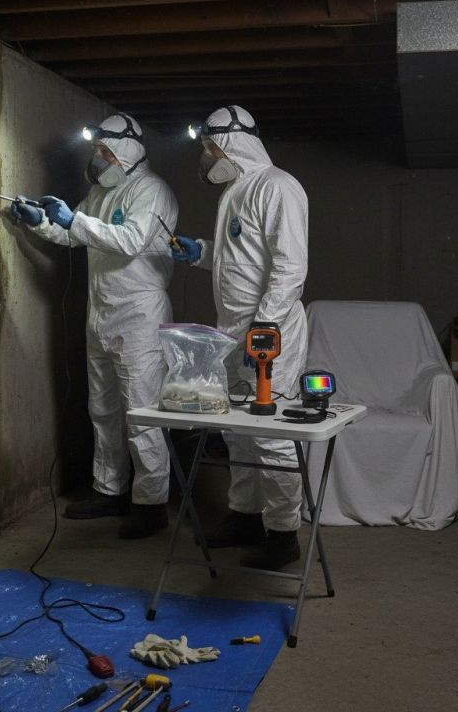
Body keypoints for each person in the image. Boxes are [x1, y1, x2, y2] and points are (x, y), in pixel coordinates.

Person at [11, 114, 178, 539]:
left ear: (126, 152)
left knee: (142, 414)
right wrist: (41, 222)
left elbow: (130, 240)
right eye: (96, 153)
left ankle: (151, 502)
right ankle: (110, 489)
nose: (99, 160)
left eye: (105, 153)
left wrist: (73, 221)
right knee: (103, 408)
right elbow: (76, 235)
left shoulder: (151, 191)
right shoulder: (100, 192)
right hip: (102, 310)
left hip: (140, 314)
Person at [171, 105, 308, 570]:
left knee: (270, 434)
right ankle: (246, 515)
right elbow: (242, 260)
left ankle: (284, 533)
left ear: (232, 144)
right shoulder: (235, 192)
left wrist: (265, 326)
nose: (208, 157)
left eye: (211, 147)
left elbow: (290, 265)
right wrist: (202, 253)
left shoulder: (278, 187)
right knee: (237, 432)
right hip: (233, 329)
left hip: (270, 330)